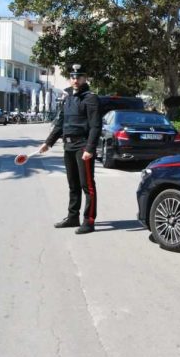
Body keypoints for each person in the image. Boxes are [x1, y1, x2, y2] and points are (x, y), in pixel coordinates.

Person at [39, 64, 102, 234]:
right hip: (68, 146)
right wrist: (48, 142)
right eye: (73, 77)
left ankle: (89, 221)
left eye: (79, 77)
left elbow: (96, 126)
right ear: (70, 79)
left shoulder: (91, 98)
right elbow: (60, 123)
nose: (75, 80)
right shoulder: (67, 98)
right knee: (73, 185)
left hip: (83, 147)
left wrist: (90, 148)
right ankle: (73, 217)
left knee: (87, 186)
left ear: (85, 78)